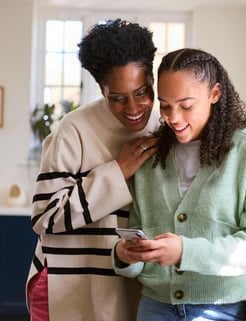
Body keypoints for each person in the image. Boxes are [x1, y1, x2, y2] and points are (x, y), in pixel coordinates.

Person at [113, 48, 246, 321]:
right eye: (165, 106)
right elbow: (138, 234)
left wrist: (185, 252)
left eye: (186, 105)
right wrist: (124, 255)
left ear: (214, 94)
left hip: (220, 310)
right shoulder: (151, 156)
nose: (174, 118)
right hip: (155, 308)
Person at [26, 19, 160, 321]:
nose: (134, 107)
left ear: (152, 79)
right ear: (102, 90)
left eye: (142, 92)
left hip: (129, 291)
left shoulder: (165, 125)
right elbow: (44, 216)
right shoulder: (73, 129)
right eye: (118, 98)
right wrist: (117, 171)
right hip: (67, 288)